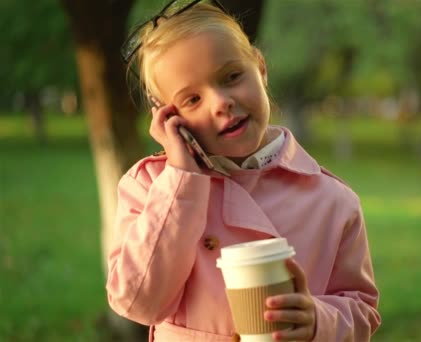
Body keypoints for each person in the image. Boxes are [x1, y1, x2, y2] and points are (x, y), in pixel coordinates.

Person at [106, 1, 381, 341]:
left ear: (261, 68)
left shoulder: (332, 201)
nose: (221, 102)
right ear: (168, 118)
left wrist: (318, 322)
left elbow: (362, 310)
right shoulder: (150, 188)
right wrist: (181, 180)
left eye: (232, 77)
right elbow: (137, 302)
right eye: (192, 100)